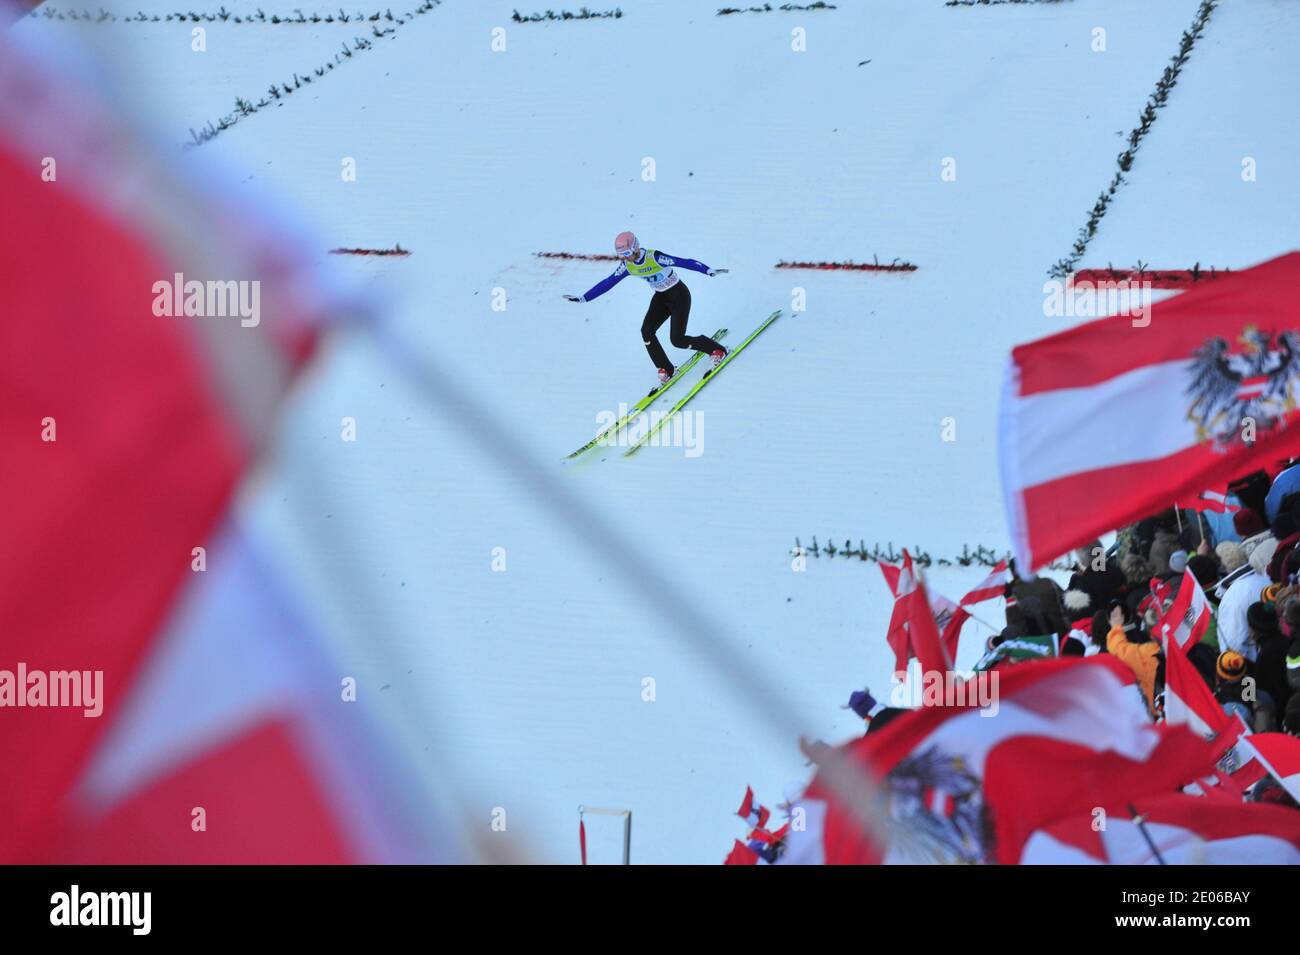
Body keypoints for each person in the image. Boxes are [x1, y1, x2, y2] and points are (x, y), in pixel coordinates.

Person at [564, 231, 729, 387]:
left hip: (679, 296)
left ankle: (717, 350)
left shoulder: (655, 257)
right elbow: (608, 282)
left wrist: (707, 270)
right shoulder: (627, 266)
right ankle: (666, 369)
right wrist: (584, 298)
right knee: (647, 331)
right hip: (661, 298)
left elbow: (683, 262)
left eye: (628, 254)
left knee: (677, 340)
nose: (626, 258)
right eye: (622, 255)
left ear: (635, 247)